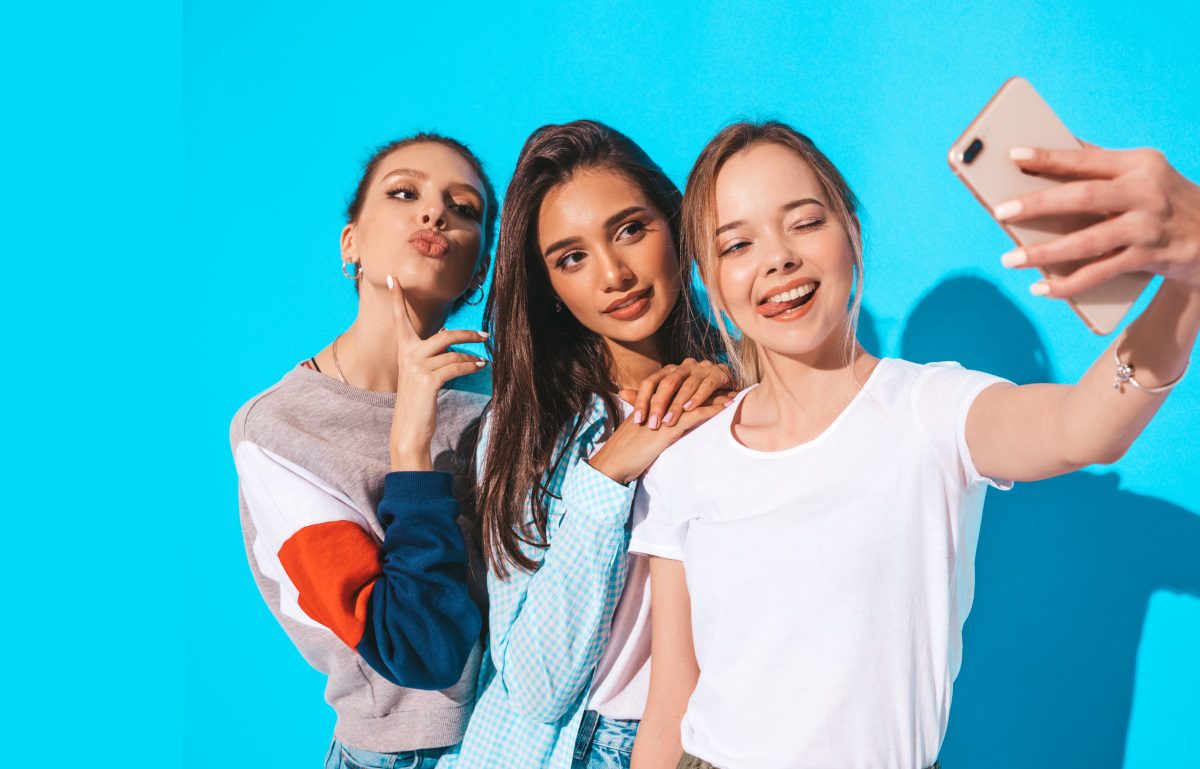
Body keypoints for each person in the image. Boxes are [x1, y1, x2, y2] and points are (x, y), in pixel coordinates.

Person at [630, 121, 1200, 769]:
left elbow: (1084, 427)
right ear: (712, 285)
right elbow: (670, 702)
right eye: (737, 244)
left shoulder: (928, 409)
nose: (778, 258)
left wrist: (1190, 276)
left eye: (805, 222)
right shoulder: (686, 460)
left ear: (852, 236)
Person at [451, 120, 732, 769]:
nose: (614, 274)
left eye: (630, 229)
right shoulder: (528, 430)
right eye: (571, 258)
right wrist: (607, 472)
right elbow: (537, 688)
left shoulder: (744, 395)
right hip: (566, 747)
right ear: (549, 285)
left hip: (707, 743)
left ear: (674, 224)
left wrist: (737, 389)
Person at [230, 133, 498, 769]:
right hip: (402, 755)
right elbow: (417, 648)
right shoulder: (279, 430)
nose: (433, 213)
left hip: (530, 742)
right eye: (404, 194)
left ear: (479, 269)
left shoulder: (508, 397)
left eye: (462, 208)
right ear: (350, 242)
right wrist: (411, 446)